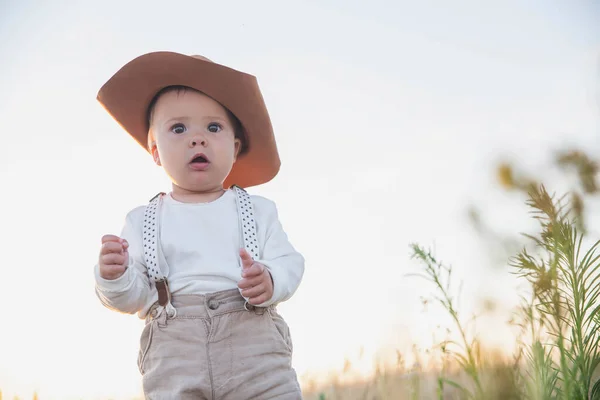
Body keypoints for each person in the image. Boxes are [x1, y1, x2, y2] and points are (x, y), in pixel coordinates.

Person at [93, 52, 305, 399]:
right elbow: (135, 297)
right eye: (178, 128)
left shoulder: (257, 210)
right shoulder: (142, 220)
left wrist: (270, 279)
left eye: (213, 127)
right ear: (155, 151)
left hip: (254, 349)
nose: (197, 138)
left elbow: (290, 261)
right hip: (175, 350)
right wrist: (114, 276)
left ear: (235, 149)